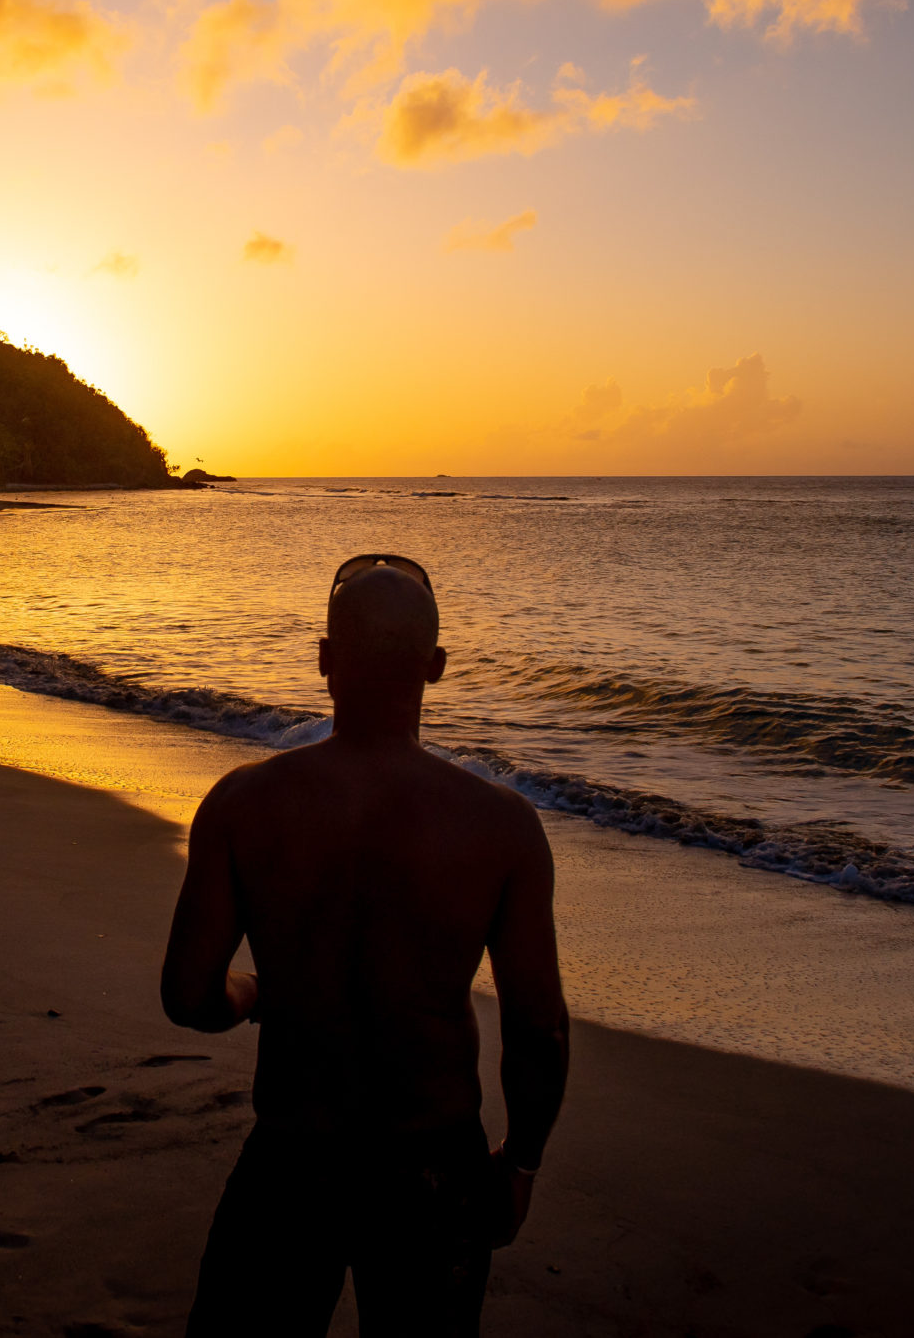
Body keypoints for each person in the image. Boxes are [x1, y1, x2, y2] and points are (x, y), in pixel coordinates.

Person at [161, 554, 570, 1336]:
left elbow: (188, 996)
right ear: (437, 667)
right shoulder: (500, 825)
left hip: (290, 1157)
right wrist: (520, 1161)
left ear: (324, 660)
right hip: (431, 1161)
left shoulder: (243, 803)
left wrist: (251, 990)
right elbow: (538, 1030)